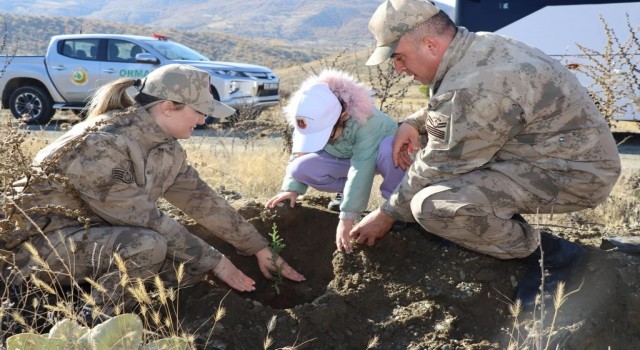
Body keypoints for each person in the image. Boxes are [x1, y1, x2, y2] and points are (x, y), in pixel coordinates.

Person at [351, 0, 621, 306]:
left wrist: (387, 214)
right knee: (433, 183)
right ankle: (498, 215)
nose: (398, 69)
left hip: (574, 175)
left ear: (429, 44)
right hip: (553, 155)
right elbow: (457, 105)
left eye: (399, 57)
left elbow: (439, 163)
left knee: (434, 205)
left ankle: (555, 258)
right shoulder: (477, 47)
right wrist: (414, 123)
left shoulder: (473, 87)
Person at [1, 64, 305, 316]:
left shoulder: (165, 148)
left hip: (85, 241)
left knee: (187, 266)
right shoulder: (100, 145)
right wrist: (217, 261)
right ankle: (88, 323)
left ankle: (123, 306)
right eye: (199, 111)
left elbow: (202, 201)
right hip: (28, 253)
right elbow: (144, 219)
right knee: (148, 246)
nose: (203, 120)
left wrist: (258, 247)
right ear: (169, 106)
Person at [265, 69, 406, 253]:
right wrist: (291, 189)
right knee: (298, 168)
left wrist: (347, 218)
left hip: (379, 155)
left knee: (390, 148)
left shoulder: (368, 120)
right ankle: (344, 192)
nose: (323, 140)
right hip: (343, 158)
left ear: (344, 115)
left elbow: (361, 167)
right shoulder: (309, 111)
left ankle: (395, 208)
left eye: (326, 134)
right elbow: (299, 152)